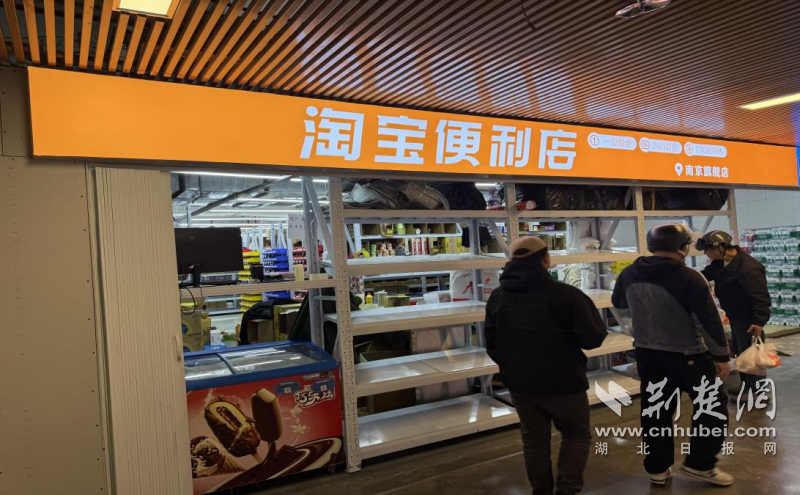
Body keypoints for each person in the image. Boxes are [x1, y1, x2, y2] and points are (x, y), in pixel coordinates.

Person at [612, 224, 732, 487]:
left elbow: (619, 304)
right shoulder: (689, 277)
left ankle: (657, 468)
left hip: (648, 354)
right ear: (683, 247)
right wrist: (721, 357)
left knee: (656, 411)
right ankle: (700, 464)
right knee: (712, 407)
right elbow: (708, 320)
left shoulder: (629, 273)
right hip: (689, 355)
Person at [485, 237, 607, 495]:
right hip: (565, 382)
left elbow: (491, 344)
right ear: (546, 259)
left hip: (521, 385)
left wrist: (514, 366)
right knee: (575, 435)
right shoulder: (567, 295)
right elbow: (593, 338)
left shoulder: (498, 296)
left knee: (534, 442)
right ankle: (566, 490)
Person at [697, 230, 771, 396]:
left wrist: (759, 322)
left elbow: (761, 297)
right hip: (736, 315)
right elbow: (705, 275)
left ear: (720, 247)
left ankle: (757, 392)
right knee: (742, 353)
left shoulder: (748, 268)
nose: (706, 253)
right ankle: (747, 385)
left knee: (752, 356)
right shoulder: (721, 262)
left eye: (707, 250)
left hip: (750, 320)